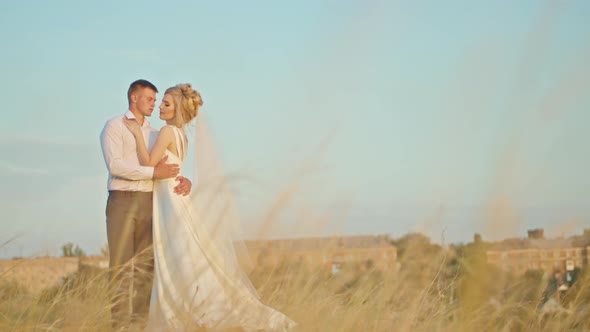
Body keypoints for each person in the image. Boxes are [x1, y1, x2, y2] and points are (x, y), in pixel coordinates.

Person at [123, 83, 297, 331]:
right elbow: (174, 168)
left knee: (176, 256)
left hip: (169, 202)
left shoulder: (166, 132)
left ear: (178, 109)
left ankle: (192, 313)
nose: (161, 106)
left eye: (166, 103)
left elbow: (149, 163)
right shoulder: (182, 136)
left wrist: (136, 134)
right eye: (161, 102)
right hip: (175, 197)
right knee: (186, 253)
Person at [100, 79, 193, 330]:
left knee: (146, 269)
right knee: (120, 267)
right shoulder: (114, 126)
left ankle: (140, 325)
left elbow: (168, 165)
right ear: (134, 98)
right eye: (150, 99)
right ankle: (119, 326)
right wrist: (153, 174)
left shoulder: (156, 133)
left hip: (150, 204)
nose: (154, 104)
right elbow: (116, 166)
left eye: (156, 100)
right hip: (121, 200)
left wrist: (185, 179)